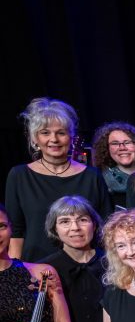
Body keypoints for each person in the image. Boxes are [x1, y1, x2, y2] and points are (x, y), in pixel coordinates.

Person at [7, 98, 113, 261]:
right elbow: (16, 232)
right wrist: (14, 274)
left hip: (87, 268)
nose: (54, 139)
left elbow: (106, 228)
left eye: (61, 133)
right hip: (36, 268)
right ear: (35, 139)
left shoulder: (92, 176)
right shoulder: (19, 175)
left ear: (71, 137)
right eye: (45, 133)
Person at [92, 121, 135, 208]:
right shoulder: (100, 182)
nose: (122, 148)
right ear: (106, 149)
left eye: (128, 142)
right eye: (115, 143)